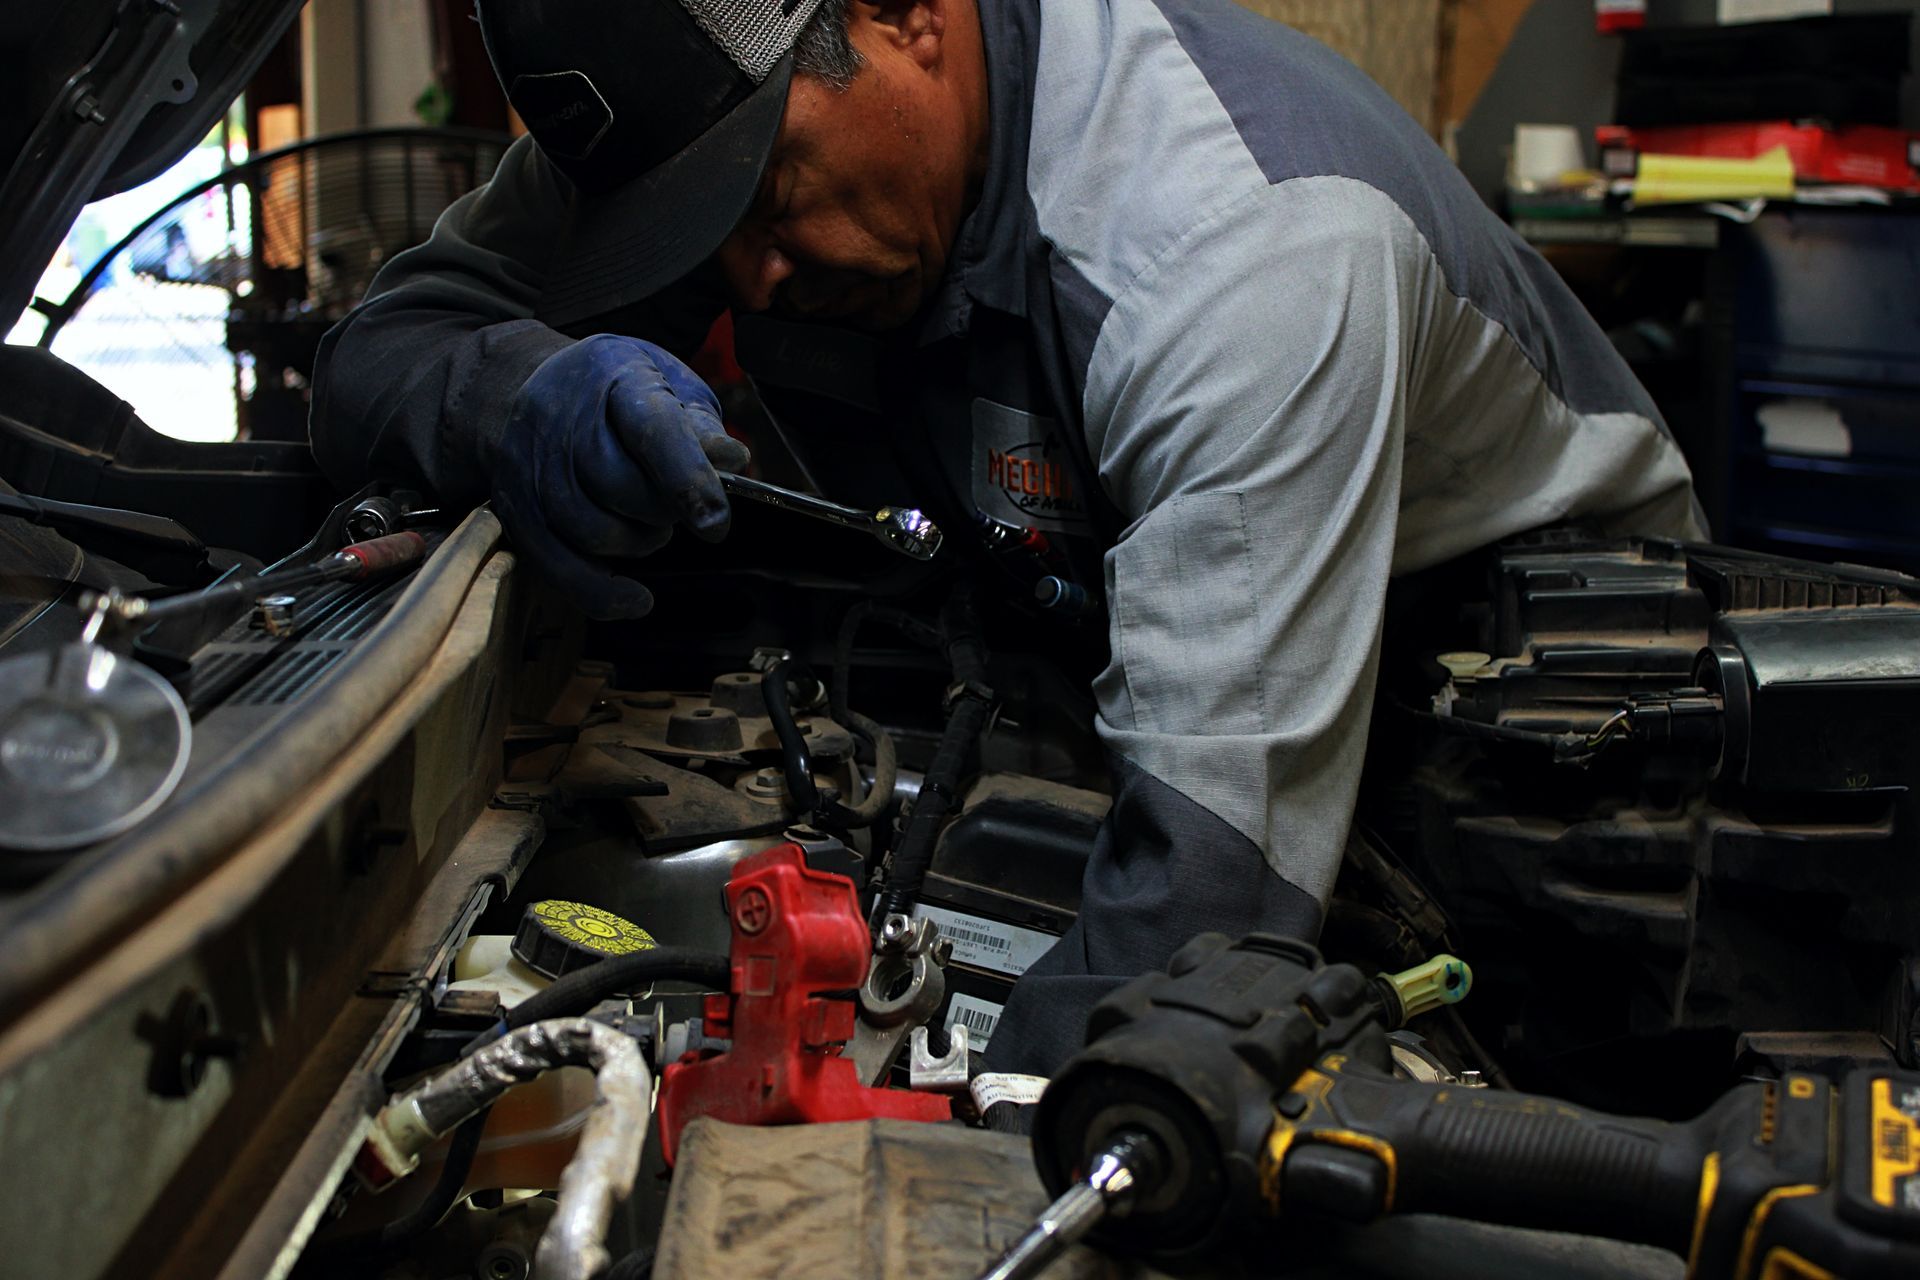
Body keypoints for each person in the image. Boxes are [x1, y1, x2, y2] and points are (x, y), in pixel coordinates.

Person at [310, 0, 1705, 1074]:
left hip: (1534, 781)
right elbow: (382, 349)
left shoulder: (1244, 257)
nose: (748, 278)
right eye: (686, 233)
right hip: (1123, 658)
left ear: (906, 13)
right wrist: (515, 394)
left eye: (766, 197)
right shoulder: (708, 94)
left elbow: (1200, 933)